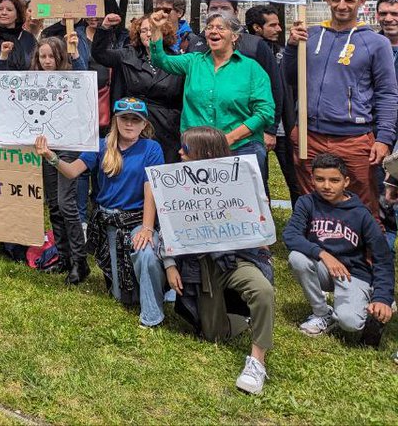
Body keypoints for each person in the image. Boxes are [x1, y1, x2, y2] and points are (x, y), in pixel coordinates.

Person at [158, 127, 275, 396]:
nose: (179, 152)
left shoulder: (242, 179)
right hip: (200, 265)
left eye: (185, 149)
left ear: (205, 153)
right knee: (213, 335)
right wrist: (170, 264)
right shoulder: (175, 180)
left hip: (236, 258)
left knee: (262, 291)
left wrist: (260, 215)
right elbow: (167, 224)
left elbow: (261, 231)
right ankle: (244, 322)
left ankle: (257, 361)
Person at [35, 98, 166, 325]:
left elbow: (151, 191)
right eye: (125, 118)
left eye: (136, 120)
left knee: (146, 253)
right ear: (116, 120)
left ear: (144, 124)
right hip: (108, 223)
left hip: (136, 219)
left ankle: (152, 316)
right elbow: (72, 171)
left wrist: (147, 228)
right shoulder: (101, 145)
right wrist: (50, 156)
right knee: (121, 296)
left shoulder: (151, 148)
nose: (129, 124)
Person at [283, 0, 397, 219]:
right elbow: (291, 78)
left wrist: (385, 137)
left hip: (354, 139)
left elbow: (387, 93)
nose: (342, 5)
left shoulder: (376, 43)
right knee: (313, 200)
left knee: (363, 205)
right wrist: (292, 47)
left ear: (362, 2)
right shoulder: (310, 36)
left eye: (349, 0)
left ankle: (365, 256)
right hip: (309, 134)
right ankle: (319, 252)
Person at [283, 152, 393, 344]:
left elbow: (383, 258)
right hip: (324, 268)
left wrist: (383, 297)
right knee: (297, 258)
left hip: (353, 274)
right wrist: (322, 254)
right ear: (312, 179)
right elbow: (290, 235)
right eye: (320, 179)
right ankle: (322, 313)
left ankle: (370, 304)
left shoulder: (361, 214)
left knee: (349, 323)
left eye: (334, 180)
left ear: (346, 181)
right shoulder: (306, 203)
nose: (326, 186)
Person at [149, 11, 274, 171]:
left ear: (234, 36)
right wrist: (156, 29)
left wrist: (228, 139)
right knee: (201, 196)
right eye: (209, 27)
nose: (213, 31)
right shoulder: (193, 61)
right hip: (197, 148)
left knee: (240, 196)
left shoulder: (251, 69)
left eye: (221, 28)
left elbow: (265, 112)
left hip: (241, 147)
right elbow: (161, 60)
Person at [30, 35, 89, 284]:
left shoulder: (72, 78)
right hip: (46, 145)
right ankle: (63, 256)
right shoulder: (31, 82)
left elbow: (85, 79)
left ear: (60, 57)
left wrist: (75, 52)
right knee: (53, 204)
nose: (46, 61)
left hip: (68, 146)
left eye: (51, 56)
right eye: (42, 56)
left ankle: (80, 261)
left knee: (67, 204)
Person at [93, 13, 185, 162]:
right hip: (135, 122)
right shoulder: (128, 55)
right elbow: (100, 55)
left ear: (164, 32)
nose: (148, 34)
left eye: (153, 29)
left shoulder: (176, 59)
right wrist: (105, 28)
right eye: (143, 30)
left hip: (167, 127)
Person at [245, 3, 302, 205]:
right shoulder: (246, 53)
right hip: (256, 127)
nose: (279, 29)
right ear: (256, 28)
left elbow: (289, 87)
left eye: (278, 24)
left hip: (283, 126)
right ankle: (264, 225)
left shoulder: (282, 52)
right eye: (272, 25)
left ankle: (302, 223)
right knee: (259, 178)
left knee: (295, 179)